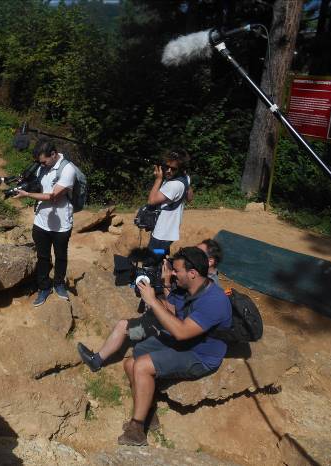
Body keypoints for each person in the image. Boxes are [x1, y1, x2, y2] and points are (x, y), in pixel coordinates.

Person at [118, 247, 232, 446]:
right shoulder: (187, 287)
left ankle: (137, 430)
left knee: (142, 366)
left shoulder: (214, 300)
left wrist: (152, 301)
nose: (172, 273)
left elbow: (181, 331)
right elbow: (172, 311)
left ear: (192, 273)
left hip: (201, 355)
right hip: (185, 343)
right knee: (130, 364)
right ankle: (149, 414)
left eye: (176, 271)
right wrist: (163, 285)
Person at [77, 239, 224, 372]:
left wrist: (157, 296)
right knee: (124, 326)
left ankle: (98, 360)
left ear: (210, 261)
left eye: (198, 252)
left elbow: (175, 313)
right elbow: (174, 303)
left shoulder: (207, 287)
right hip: (168, 319)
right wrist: (163, 284)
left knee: (127, 332)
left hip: (178, 331)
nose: (192, 254)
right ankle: (97, 360)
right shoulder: (189, 276)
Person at [14, 137, 77, 307]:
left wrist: (27, 195)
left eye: (44, 162)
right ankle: (44, 287)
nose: (41, 165)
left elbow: (53, 196)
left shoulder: (68, 169)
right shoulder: (41, 166)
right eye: (39, 162)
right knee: (42, 257)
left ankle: (59, 283)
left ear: (53, 154)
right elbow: (34, 184)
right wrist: (23, 184)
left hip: (61, 224)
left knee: (61, 256)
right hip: (41, 222)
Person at [146, 149, 193, 255]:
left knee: (152, 255)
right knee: (162, 252)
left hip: (162, 232)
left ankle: (163, 259)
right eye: (166, 167)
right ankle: (164, 259)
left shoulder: (173, 185)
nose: (168, 171)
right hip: (169, 230)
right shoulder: (185, 177)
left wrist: (158, 179)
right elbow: (190, 198)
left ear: (180, 169)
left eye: (173, 169)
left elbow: (151, 201)